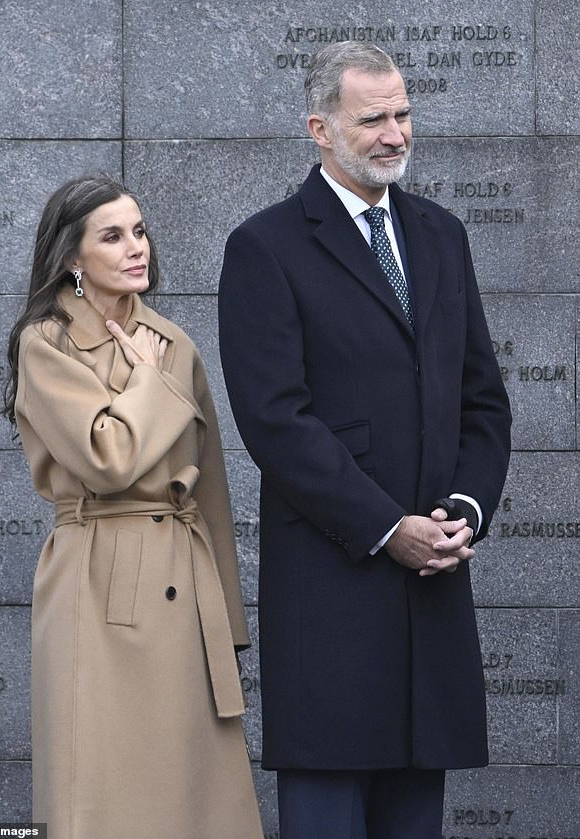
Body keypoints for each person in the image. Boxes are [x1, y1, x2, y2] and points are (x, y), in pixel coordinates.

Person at [218, 42, 512, 839]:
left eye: (404, 113)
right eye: (373, 117)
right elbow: (277, 420)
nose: (394, 133)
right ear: (320, 128)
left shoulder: (442, 235)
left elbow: (483, 402)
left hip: (434, 594)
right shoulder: (266, 246)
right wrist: (389, 528)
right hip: (331, 596)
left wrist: (462, 511)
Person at [2, 174, 263, 839]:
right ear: (71, 258)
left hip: (183, 580)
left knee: (190, 795)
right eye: (112, 236)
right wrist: (146, 378)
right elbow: (106, 459)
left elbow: (209, 492)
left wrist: (226, 623)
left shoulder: (174, 341)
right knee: (102, 790)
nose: (135, 247)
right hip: (95, 578)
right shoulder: (47, 343)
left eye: (140, 231)